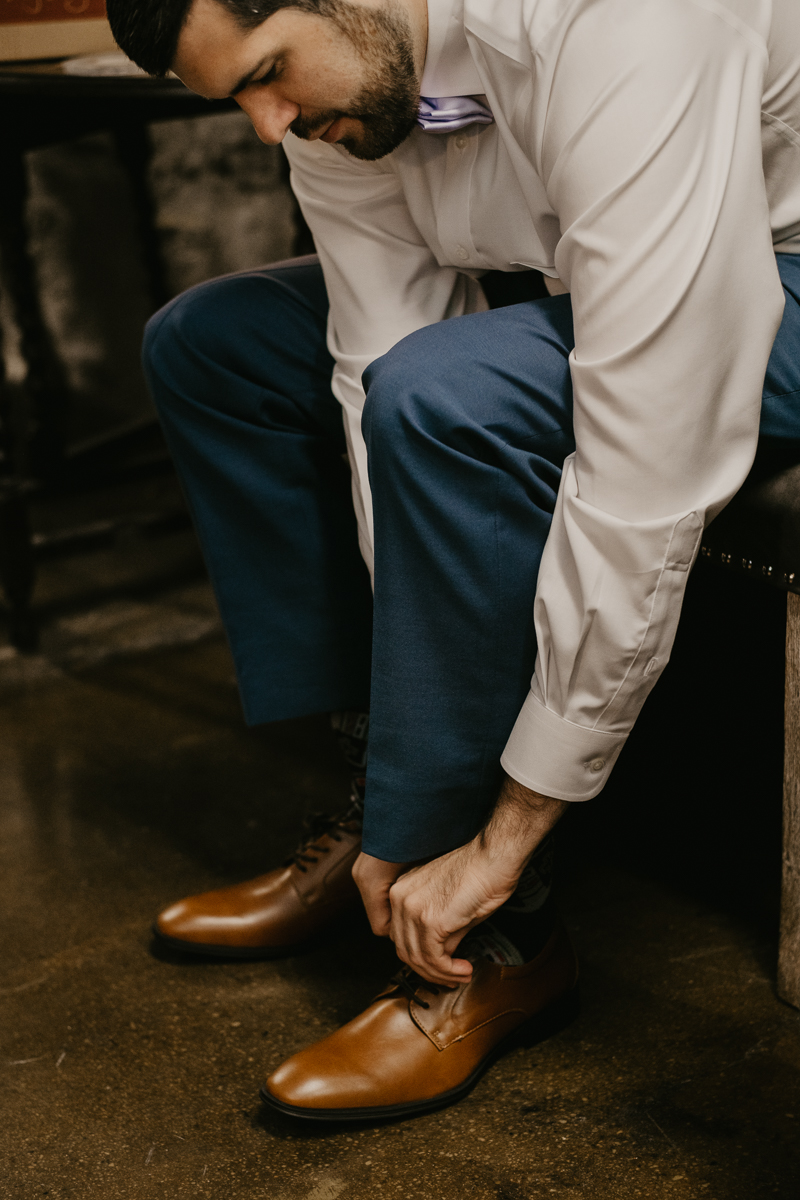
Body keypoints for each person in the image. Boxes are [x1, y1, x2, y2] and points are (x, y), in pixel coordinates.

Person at [107, 0, 800, 1121]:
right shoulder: (346, 96)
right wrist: (411, 779)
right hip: (589, 268)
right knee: (214, 346)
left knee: (447, 394)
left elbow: (647, 458)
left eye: (273, 74)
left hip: (771, 273)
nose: (265, 124)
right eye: (238, 95)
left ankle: (495, 945)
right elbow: (370, 360)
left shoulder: (623, 23)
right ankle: (381, 814)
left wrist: (504, 828)